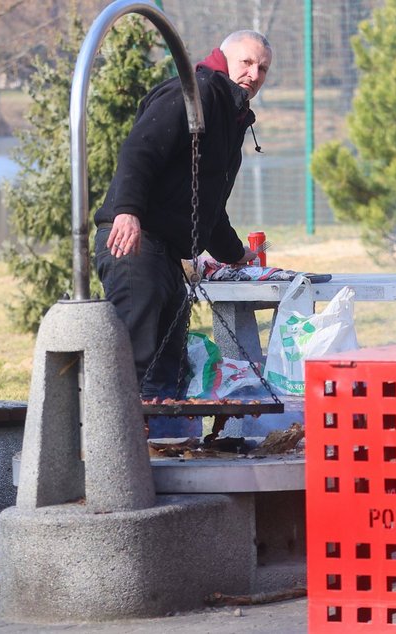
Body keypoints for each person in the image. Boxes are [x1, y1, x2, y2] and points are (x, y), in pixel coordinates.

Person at [94, 30, 273, 399]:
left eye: (263, 68)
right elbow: (140, 150)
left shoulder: (233, 117)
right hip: (135, 241)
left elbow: (209, 207)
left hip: (168, 255)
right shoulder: (196, 91)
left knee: (168, 371)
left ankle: (166, 448)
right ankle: (112, 451)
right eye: (247, 62)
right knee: (134, 361)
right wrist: (127, 211)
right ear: (225, 58)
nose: (254, 74)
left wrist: (236, 255)